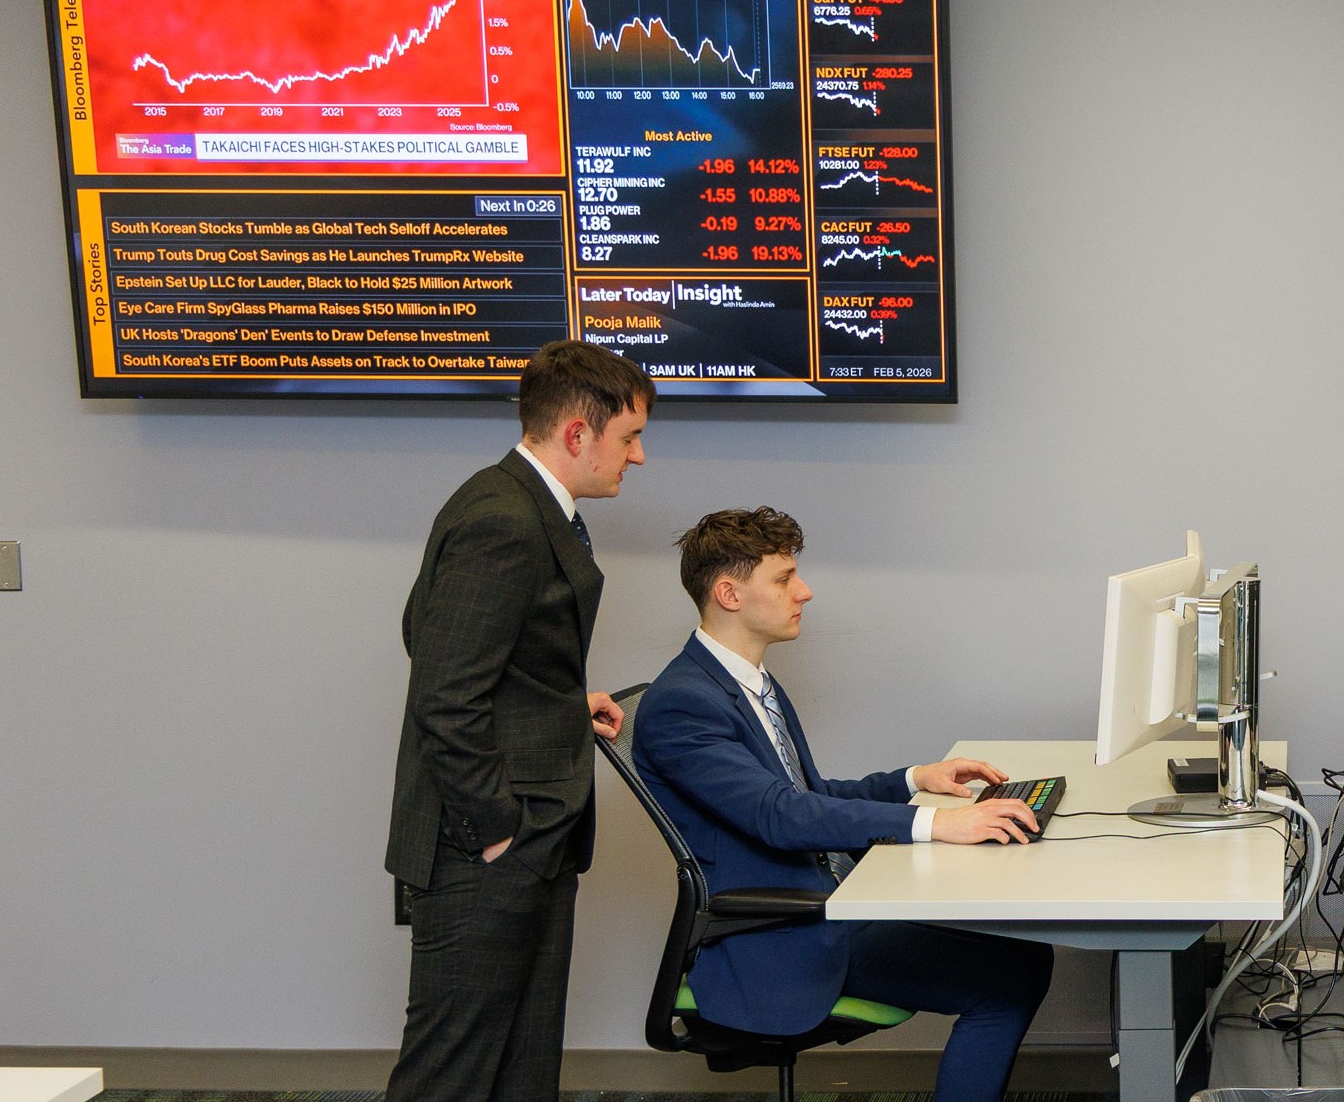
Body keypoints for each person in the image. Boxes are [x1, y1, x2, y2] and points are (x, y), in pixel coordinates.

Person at [635, 507, 1054, 1102]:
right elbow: (780, 817)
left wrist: (915, 779)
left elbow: (806, 797)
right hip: (782, 936)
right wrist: (940, 825)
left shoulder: (747, 682)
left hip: (830, 905)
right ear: (728, 593)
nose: (803, 592)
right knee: (1009, 981)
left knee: (1024, 954)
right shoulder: (684, 703)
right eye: (783, 579)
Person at [384, 340, 654, 1102]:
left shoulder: (514, 503)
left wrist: (564, 704)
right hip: (487, 849)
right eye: (628, 437)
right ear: (577, 434)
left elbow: (438, 639)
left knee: (520, 1074)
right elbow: (442, 691)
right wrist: (498, 826)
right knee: (451, 1078)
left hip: (529, 840)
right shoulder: (503, 518)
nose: (638, 458)